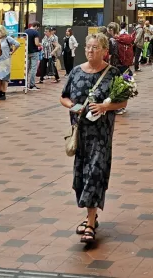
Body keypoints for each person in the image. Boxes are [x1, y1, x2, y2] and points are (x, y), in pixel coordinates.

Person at [60, 34, 127, 245]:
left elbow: (123, 102)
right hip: (80, 133)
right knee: (81, 174)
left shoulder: (112, 73)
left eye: (95, 47)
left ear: (104, 50)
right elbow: (63, 96)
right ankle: (92, 215)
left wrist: (105, 107)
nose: (90, 51)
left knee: (95, 173)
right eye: (88, 47)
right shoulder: (76, 71)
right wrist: (73, 107)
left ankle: (89, 223)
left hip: (101, 134)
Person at [0, 25, 19, 100]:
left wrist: (12, 52)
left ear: (1, 31)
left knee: (4, 78)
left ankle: (3, 93)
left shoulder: (7, 38)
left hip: (5, 60)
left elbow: (17, 44)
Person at [24, 22, 42, 90]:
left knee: (27, 69)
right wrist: (41, 44)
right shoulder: (35, 32)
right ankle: (32, 84)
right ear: (36, 26)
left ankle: (25, 84)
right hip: (34, 52)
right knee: (33, 69)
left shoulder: (26, 31)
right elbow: (36, 43)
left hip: (27, 52)